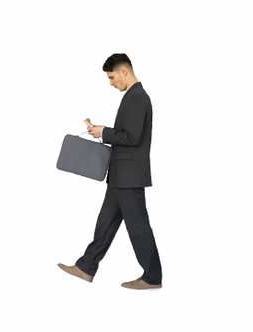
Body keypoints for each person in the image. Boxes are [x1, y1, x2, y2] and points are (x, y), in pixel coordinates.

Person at [58, 53, 162, 290]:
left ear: (124, 70)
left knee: (138, 227)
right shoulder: (133, 97)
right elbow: (127, 133)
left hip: (129, 176)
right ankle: (86, 266)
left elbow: (132, 137)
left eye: (112, 76)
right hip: (120, 175)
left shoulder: (137, 97)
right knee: (105, 223)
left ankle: (153, 277)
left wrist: (104, 132)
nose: (111, 82)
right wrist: (103, 131)